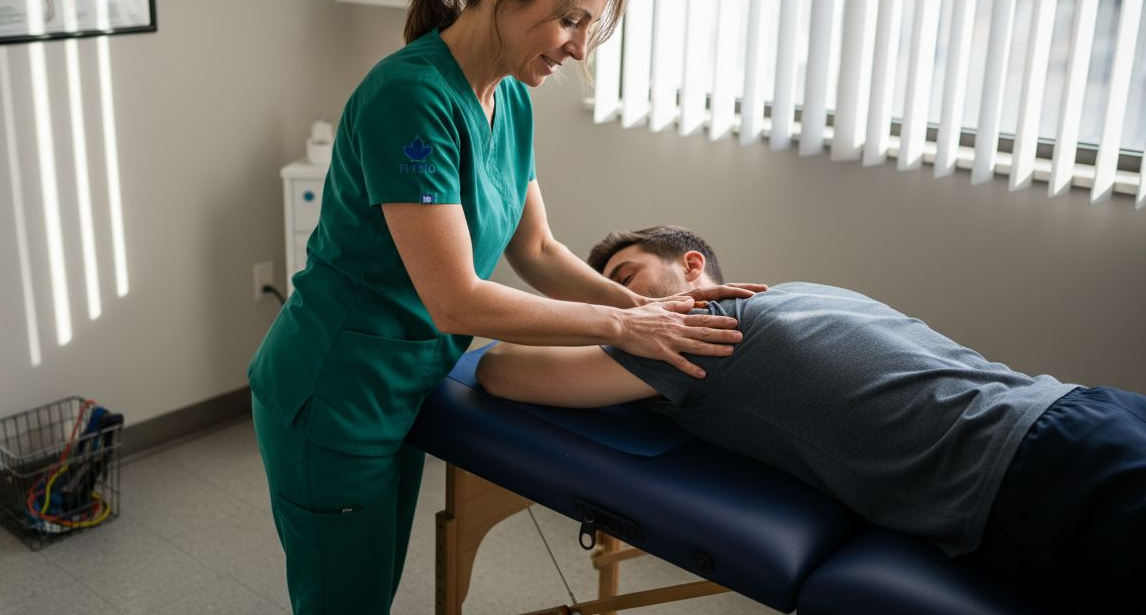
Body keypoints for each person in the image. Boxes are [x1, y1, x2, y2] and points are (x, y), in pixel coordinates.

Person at [247, 0, 767, 615]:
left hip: (405, 381)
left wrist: (649, 307)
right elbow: (455, 298)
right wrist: (622, 328)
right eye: (570, 19)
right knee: (345, 600)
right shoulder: (410, 97)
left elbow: (539, 248)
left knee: (369, 586)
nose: (579, 48)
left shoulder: (511, 96)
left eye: (590, 26)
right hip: (336, 390)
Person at [476, 225, 1146, 610]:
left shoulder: (699, 330)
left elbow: (500, 370)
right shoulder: (807, 292)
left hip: (1036, 477)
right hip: (1085, 412)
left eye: (628, 277)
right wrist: (623, 318)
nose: (623, 302)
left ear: (692, 266)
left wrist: (613, 326)